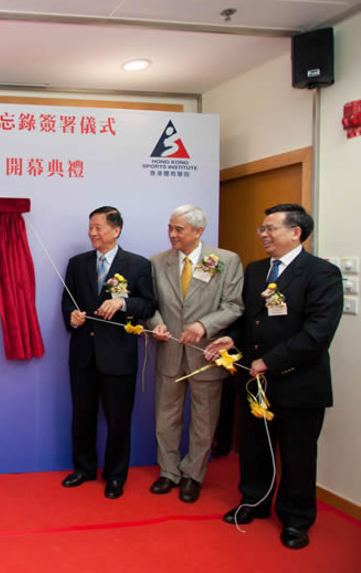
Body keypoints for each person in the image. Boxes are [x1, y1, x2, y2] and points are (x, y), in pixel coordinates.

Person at [206, 204, 342, 550]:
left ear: (296, 232)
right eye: (261, 229)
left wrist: (269, 360)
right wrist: (232, 338)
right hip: (255, 380)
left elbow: (317, 333)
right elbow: (249, 319)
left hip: (300, 381)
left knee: (297, 454)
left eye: (271, 229)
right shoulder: (256, 271)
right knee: (254, 447)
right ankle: (254, 501)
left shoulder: (321, 273)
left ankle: (297, 520)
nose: (264, 235)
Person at [147, 205, 243, 503]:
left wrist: (204, 325)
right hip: (170, 351)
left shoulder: (225, 261)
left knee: (204, 419)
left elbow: (234, 305)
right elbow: (150, 304)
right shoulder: (157, 262)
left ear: (198, 231)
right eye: (170, 228)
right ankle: (169, 471)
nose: (172, 234)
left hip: (206, 355)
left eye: (179, 229)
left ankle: (193, 476)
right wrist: (156, 325)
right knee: (166, 417)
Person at [60, 206, 156, 499]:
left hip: (118, 355)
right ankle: (84, 468)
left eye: (98, 227)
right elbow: (67, 300)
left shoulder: (137, 265)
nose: (92, 233)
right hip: (83, 354)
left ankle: (115, 476)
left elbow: (149, 305)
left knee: (118, 420)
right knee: (82, 416)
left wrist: (123, 305)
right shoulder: (77, 263)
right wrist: (72, 316)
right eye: (90, 227)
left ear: (116, 230)